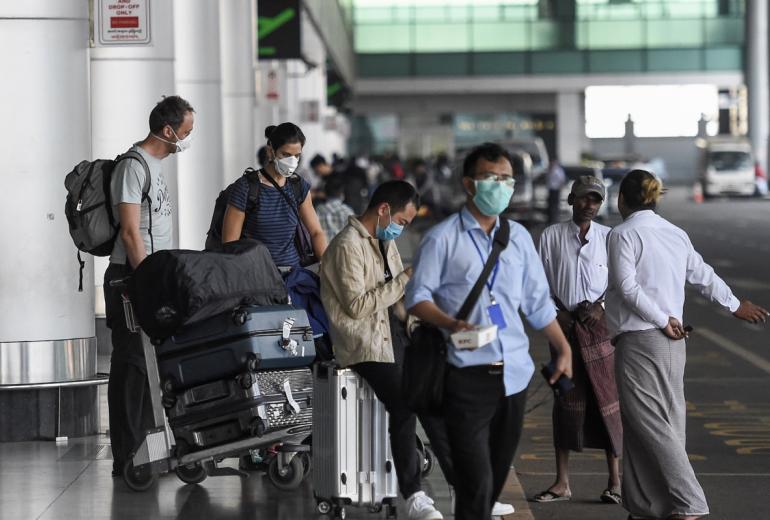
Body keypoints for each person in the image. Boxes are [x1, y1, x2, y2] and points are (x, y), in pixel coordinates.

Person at [406, 142, 573, 520]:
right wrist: (451, 323)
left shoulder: (519, 239)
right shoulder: (442, 238)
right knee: (475, 482)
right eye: (489, 178)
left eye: (505, 179)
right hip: (464, 371)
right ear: (469, 184)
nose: (499, 186)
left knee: (491, 482)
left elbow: (536, 302)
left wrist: (562, 346)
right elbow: (417, 298)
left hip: (514, 376)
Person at [606, 169, 769, 520]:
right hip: (672, 344)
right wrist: (734, 303)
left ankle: (690, 501)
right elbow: (702, 274)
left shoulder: (622, 234)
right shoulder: (674, 233)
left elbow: (628, 288)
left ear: (622, 199)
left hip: (642, 340)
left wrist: (663, 319)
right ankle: (649, 506)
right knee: (664, 422)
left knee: (647, 423)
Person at [320, 181, 445, 520]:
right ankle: (414, 495)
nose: (401, 229)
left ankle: (469, 486)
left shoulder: (383, 241)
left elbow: (393, 301)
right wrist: (404, 278)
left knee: (436, 390)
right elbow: (358, 307)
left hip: (393, 337)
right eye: (402, 222)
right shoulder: (348, 246)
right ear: (384, 209)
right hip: (364, 345)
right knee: (406, 403)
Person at [104, 95, 195, 477]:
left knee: (148, 365)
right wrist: (146, 283)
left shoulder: (155, 166)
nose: (188, 140)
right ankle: (128, 456)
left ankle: (147, 449)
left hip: (148, 276)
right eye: (186, 132)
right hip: (130, 278)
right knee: (132, 365)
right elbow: (129, 231)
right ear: (168, 130)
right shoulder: (133, 165)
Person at [535, 176, 622, 505]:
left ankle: (615, 481)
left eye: (595, 200)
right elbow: (539, 283)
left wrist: (601, 308)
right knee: (565, 402)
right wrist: (557, 315)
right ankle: (562, 483)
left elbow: (620, 284)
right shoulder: (551, 236)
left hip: (599, 330)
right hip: (564, 330)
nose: (589, 205)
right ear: (571, 199)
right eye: (584, 198)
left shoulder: (610, 237)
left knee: (607, 402)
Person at [221, 122, 327, 267]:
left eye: (297, 156)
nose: (292, 161)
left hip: (293, 276)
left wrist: (326, 266)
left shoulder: (298, 186)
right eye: (286, 154)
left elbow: (316, 232)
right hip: (257, 276)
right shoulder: (246, 187)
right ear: (271, 151)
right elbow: (229, 244)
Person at [315, 173, 355, 241]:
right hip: (342, 248)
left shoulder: (318, 210)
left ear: (325, 193)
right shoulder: (347, 211)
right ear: (342, 194)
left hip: (323, 249)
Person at [546, 158, 566, 224]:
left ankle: (554, 219)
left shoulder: (558, 170)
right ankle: (550, 218)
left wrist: (560, 187)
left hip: (556, 189)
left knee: (555, 205)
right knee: (550, 205)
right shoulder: (550, 169)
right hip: (551, 189)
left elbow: (562, 180)